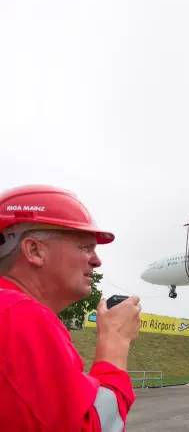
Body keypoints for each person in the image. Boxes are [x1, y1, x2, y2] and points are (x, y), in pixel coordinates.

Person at [0, 185, 141, 431]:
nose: (97, 260)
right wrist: (115, 341)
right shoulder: (19, 316)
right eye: (85, 247)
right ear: (34, 250)